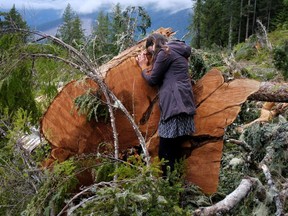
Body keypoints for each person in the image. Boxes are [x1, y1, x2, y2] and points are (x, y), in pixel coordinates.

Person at [136, 33, 196, 176]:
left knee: (165, 153)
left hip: (174, 106)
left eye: (150, 49)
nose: (151, 53)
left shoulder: (165, 52)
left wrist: (143, 66)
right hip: (184, 103)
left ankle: (169, 188)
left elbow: (152, 80)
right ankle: (175, 186)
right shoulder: (178, 50)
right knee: (174, 151)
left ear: (153, 45)